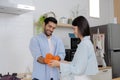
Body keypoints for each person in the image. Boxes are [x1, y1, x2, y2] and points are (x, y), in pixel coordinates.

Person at [49, 16, 99, 80]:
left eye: (74, 29)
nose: (74, 31)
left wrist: (59, 65)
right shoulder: (86, 43)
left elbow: (78, 70)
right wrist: (65, 62)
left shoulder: (84, 45)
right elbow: (78, 64)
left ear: (80, 28)